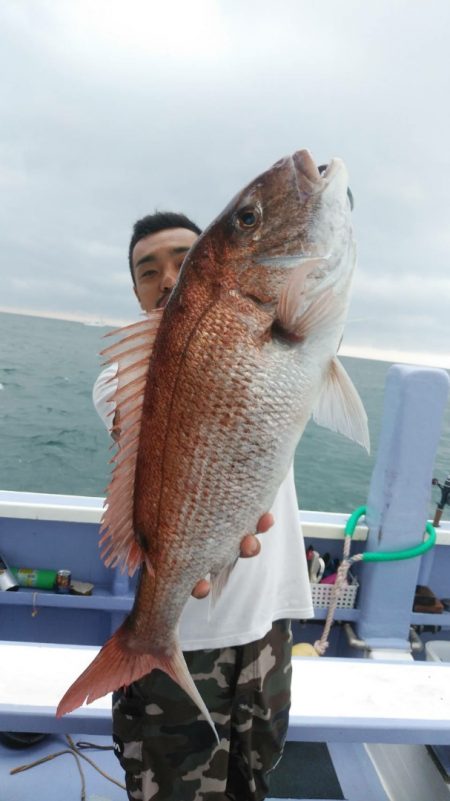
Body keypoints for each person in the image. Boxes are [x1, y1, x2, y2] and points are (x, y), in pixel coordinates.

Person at [93, 211, 313, 801]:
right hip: (184, 637)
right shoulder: (122, 378)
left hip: (267, 623)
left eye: (182, 260)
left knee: (252, 780)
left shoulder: (273, 341)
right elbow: (138, 433)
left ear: (210, 270)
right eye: (148, 271)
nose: (167, 277)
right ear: (136, 292)